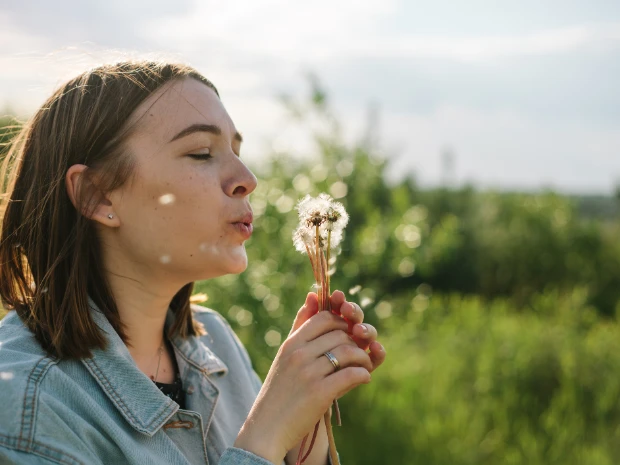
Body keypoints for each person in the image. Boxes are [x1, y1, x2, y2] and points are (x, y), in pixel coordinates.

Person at [0, 61, 386, 465]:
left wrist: (302, 429)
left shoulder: (217, 345)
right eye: (201, 153)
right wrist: (265, 435)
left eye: (237, 152)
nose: (247, 178)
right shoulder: (27, 406)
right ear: (97, 196)